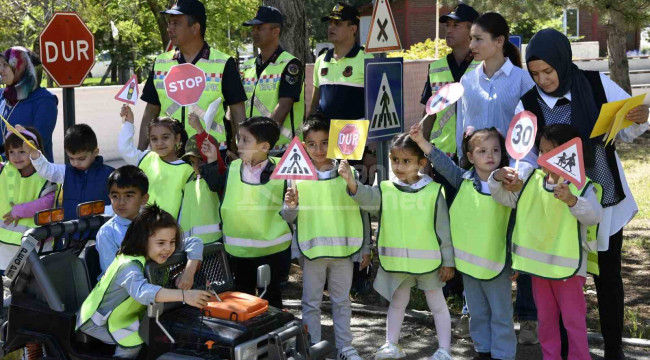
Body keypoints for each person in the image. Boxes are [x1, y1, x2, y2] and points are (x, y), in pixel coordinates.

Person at [517, 28, 649, 359]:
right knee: (560, 278)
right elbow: (524, 158)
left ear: (563, 62)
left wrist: (640, 117)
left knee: (608, 275)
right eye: (535, 73)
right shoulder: (528, 102)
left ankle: (614, 348)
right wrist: (515, 176)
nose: (543, 79)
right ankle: (563, 349)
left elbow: (629, 130)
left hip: (603, 199)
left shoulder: (595, 84)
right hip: (558, 207)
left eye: (548, 71)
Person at [457, 12, 539, 343]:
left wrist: (519, 172)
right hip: (478, 181)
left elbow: (532, 131)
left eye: (478, 39)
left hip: (515, 177)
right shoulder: (467, 81)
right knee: (479, 242)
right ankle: (473, 311)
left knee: (520, 245)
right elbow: (466, 130)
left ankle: (529, 317)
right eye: (472, 38)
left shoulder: (522, 80)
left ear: (499, 42)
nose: (471, 44)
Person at [489, 124, 603, 360]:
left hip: (569, 270)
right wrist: (497, 177)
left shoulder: (581, 185)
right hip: (539, 269)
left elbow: (594, 216)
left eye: (550, 151)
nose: (543, 157)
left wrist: (572, 201)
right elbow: (503, 197)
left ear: (568, 154)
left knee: (573, 321)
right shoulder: (530, 179)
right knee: (546, 320)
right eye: (541, 150)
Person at [340, 134, 455, 360]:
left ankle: (444, 351)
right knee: (397, 303)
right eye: (394, 160)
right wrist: (351, 183)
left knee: (438, 306)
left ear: (422, 163)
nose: (399, 166)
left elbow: (444, 230)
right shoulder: (385, 188)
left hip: (429, 265)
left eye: (406, 161)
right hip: (397, 264)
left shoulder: (433, 192)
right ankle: (390, 345)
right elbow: (367, 200)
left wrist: (448, 261)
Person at [410, 123, 517, 360]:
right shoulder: (462, 180)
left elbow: (516, 227)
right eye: (482, 151)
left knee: (501, 314)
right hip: (468, 264)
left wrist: (516, 260)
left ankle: (503, 354)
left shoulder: (511, 186)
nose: (490, 156)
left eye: (495, 150)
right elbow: (442, 162)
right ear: (469, 156)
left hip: (498, 264)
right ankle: (483, 351)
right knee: (477, 312)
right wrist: (420, 142)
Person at [281, 115, 370, 360]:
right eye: (312, 144)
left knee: (342, 301)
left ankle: (345, 348)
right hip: (313, 253)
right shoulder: (295, 174)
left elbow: (362, 211)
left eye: (324, 143)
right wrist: (290, 206)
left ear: (333, 142)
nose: (318, 149)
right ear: (304, 145)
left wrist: (366, 247)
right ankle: (313, 346)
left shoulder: (347, 171)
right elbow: (288, 217)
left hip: (344, 249)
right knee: (310, 303)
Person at [76, 204, 210, 359]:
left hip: (128, 314)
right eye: (161, 243)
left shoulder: (156, 250)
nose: (169, 248)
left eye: (172, 241)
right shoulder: (128, 266)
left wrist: (188, 273)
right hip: (99, 320)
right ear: (142, 240)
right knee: (133, 341)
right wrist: (185, 295)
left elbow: (195, 242)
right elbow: (142, 292)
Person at [419, 4, 480, 337]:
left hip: (473, 163)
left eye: (456, 24)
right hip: (442, 160)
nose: (449, 29)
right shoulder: (437, 66)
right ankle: (449, 288)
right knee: (442, 226)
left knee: (470, 229)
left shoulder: (482, 62)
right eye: (447, 24)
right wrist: (424, 157)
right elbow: (428, 115)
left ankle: (472, 302)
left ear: (471, 28)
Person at [311, 2, 375, 293]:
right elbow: (315, 102)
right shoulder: (322, 59)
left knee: (354, 206)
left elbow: (374, 107)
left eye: (339, 22)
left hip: (352, 142)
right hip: (324, 145)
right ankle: (329, 270)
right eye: (330, 22)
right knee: (329, 206)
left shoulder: (364, 60)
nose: (331, 27)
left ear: (353, 28)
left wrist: (371, 146)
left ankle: (359, 272)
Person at [200, 116, 291, 309]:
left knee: (272, 299)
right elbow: (215, 185)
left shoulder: (284, 169)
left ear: (264, 147)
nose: (238, 144)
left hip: (273, 253)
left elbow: (292, 208)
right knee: (242, 299)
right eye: (238, 138)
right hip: (238, 253)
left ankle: (272, 337)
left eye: (245, 140)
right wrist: (210, 160)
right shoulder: (233, 167)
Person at [139, 0, 246, 156]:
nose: (170, 28)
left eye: (176, 23)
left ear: (195, 28)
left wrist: (243, 153)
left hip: (211, 155)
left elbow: (238, 112)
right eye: (169, 23)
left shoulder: (223, 63)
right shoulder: (161, 62)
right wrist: (139, 156)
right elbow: (150, 111)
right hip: (169, 157)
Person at [241, 5, 305, 154]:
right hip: (251, 149)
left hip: (282, 150)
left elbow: (283, 106)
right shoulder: (247, 66)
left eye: (260, 28)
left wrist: (261, 142)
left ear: (276, 31)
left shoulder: (289, 64)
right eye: (253, 28)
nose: (254, 32)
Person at [119, 105, 194, 220]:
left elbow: (186, 207)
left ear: (177, 139)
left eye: (165, 137)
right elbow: (124, 148)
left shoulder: (187, 170)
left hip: (169, 231)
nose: (159, 143)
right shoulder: (146, 158)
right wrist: (128, 123)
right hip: (143, 227)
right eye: (154, 139)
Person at [27, 124, 114, 221]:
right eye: (71, 158)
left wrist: (101, 212)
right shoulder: (67, 171)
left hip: (99, 233)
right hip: (71, 232)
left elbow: (118, 204)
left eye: (81, 158)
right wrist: (35, 155)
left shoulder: (110, 175)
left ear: (95, 152)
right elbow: (47, 170)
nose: (76, 163)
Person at [0, 126, 56, 271]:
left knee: (32, 279)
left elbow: (48, 201)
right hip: (5, 242)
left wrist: (20, 210)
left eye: (22, 151)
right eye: (11, 152)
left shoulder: (45, 173)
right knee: (10, 278)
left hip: (34, 241)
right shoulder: (4, 169)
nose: (16, 157)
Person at [0, 47, 57, 162]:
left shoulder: (44, 100)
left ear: (21, 67)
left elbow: (36, 141)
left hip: (34, 175)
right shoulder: (3, 96)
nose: (1, 70)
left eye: (5, 65)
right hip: (5, 175)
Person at [96, 165, 149, 278]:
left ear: (144, 199)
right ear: (109, 197)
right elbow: (113, 274)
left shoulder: (153, 224)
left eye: (128, 195)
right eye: (115, 196)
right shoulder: (107, 232)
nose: (121, 202)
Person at [178, 133, 222, 244]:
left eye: (201, 160)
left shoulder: (218, 179)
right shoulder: (189, 184)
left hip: (216, 243)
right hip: (191, 245)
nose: (196, 166)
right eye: (192, 162)